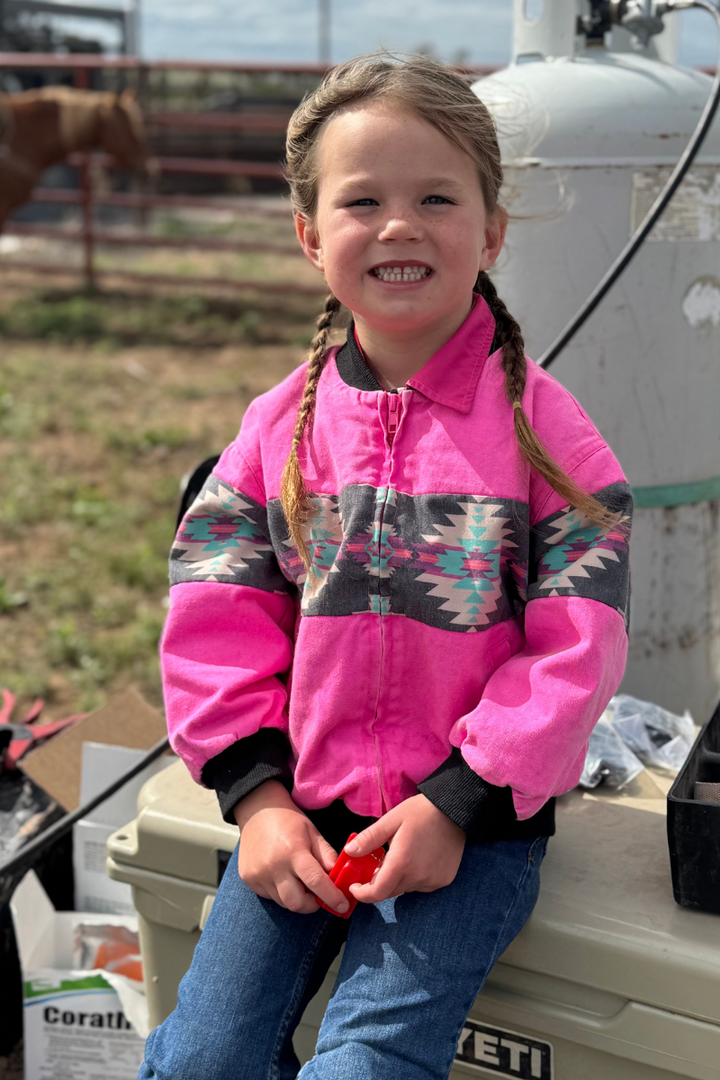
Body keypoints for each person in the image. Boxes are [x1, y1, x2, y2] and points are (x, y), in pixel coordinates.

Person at [140, 53, 632, 1080]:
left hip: (473, 831)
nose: (400, 225)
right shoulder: (278, 428)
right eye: (363, 199)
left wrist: (461, 801)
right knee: (198, 1060)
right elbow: (214, 612)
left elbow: (575, 649)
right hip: (302, 817)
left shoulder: (553, 439)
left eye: (436, 198)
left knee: (366, 1064)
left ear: (491, 230)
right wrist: (258, 801)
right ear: (311, 235)